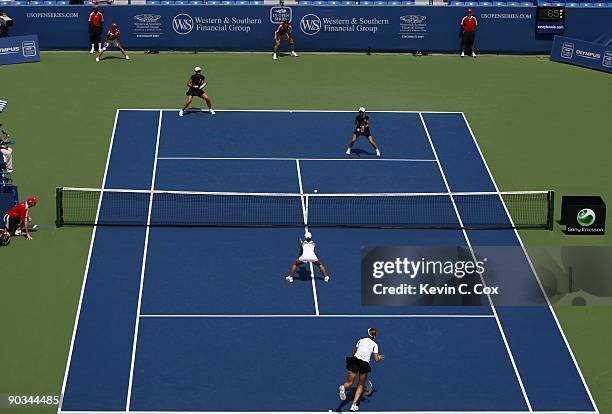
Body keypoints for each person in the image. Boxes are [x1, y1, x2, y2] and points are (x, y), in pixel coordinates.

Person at [339, 328, 385, 412]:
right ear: (374, 336)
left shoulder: (361, 340)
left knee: (349, 383)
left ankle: (343, 387)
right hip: (364, 365)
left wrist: (354, 356)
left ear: (368, 334)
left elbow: (354, 351)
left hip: (355, 362)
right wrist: (380, 357)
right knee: (360, 385)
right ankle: (353, 405)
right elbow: (376, 359)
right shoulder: (375, 345)